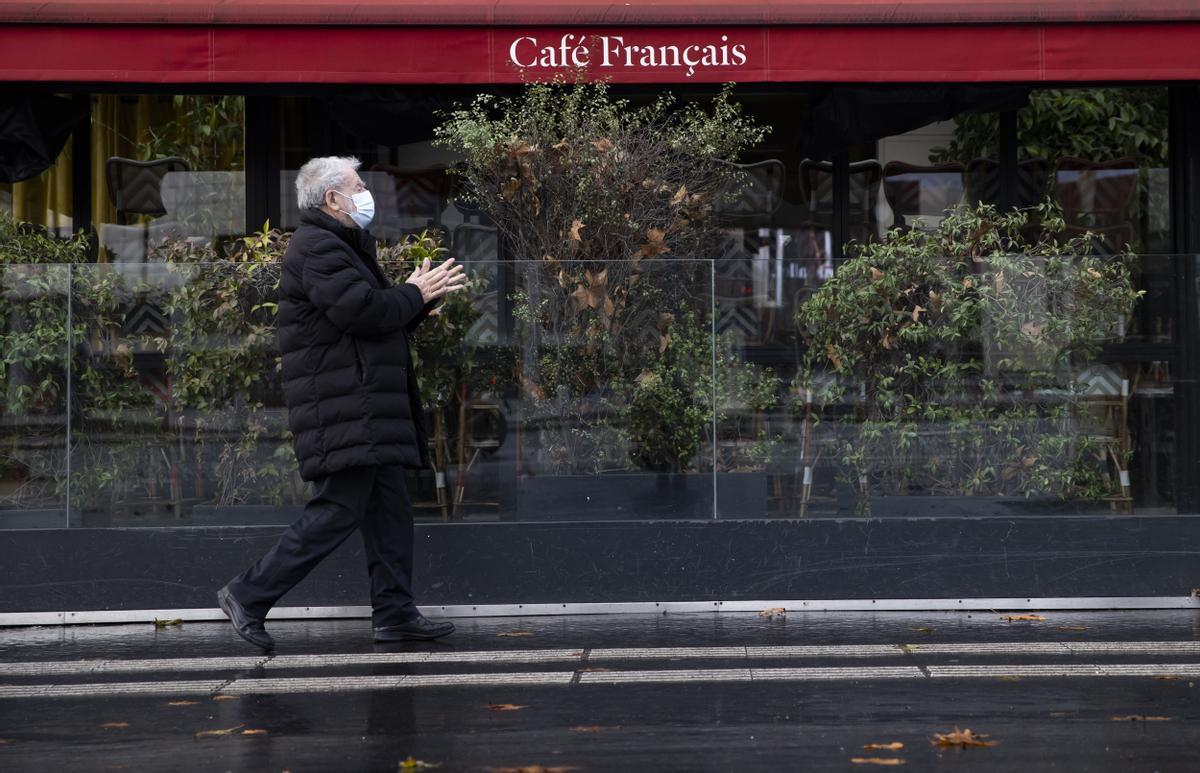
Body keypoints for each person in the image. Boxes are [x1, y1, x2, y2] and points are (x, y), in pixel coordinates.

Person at [217, 156, 466, 650]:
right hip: (349, 409)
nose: (365, 193)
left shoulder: (343, 245)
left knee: (390, 512)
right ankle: (247, 594)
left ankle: (394, 614)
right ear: (333, 199)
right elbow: (361, 311)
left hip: (366, 407)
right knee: (337, 509)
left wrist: (418, 298)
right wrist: (411, 294)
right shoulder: (317, 248)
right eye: (357, 186)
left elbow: (373, 323)